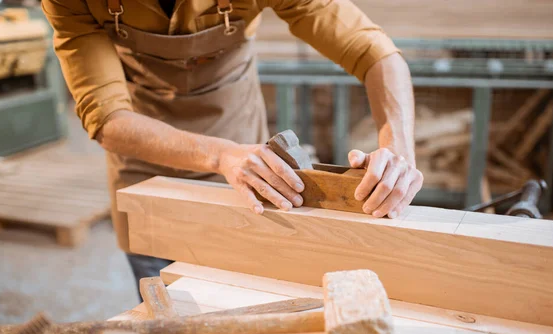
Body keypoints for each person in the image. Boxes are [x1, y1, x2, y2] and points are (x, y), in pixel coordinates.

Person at [41, 0, 423, 285]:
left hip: (240, 138)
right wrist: (220, 155)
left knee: (249, 285)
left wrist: (398, 148)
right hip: (144, 150)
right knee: (163, 291)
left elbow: (372, 51)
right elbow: (106, 117)